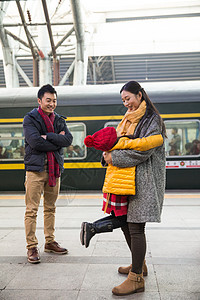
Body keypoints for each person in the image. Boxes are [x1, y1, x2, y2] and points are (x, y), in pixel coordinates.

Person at [100, 81, 166, 296]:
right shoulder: (128, 119)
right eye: (123, 100)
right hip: (128, 180)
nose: (126, 103)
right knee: (128, 225)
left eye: (128, 98)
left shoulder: (151, 120)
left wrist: (113, 156)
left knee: (136, 227)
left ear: (140, 95)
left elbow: (143, 152)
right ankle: (140, 265)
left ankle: (136, 278)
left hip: (144, 181)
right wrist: (107, 153)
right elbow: (119, 143)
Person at [80, 126, 163, 249]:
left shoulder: (111, 149)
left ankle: (92, 227)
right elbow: (143, 143)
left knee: (120, 217)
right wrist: (158, 139)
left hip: (114, 188)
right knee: (124, 219)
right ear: (114, 138)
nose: (121, 131)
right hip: (122, 189)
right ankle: (93, 228)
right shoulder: (123, 143)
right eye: (116, 132)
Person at [23, 84, 73, 264]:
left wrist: (48, 137)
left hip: (54, 170)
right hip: (35, 172)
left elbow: (68, 139)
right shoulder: (30, 119)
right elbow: (36, 143)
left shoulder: (59, 119)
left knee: (51, 208)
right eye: (48, 100)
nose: (52, 104)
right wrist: (56, 139)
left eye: (54, 100)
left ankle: (49, 242)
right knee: (32, 210)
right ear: (40, 101)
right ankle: (31, 246)